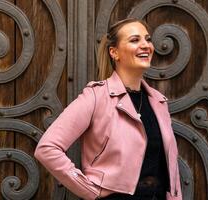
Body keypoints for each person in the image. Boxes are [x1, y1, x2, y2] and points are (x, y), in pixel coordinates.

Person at [34, 18, 182, 200]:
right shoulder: (97, 97)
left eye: (148, 39)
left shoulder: (158, 102)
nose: (146, 45)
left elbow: (168, 171)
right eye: (135, 40)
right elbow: (47, 148)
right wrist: (90, 190)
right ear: (114, 52)